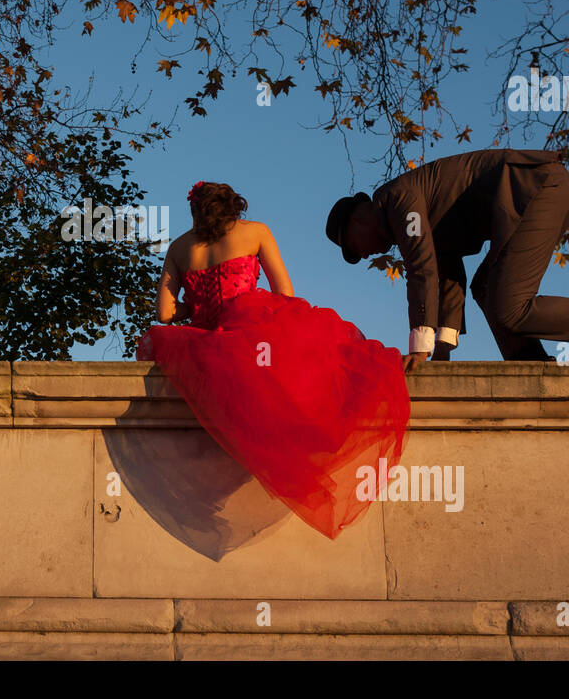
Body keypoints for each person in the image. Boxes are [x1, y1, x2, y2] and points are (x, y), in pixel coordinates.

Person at [137, 181, 410, 542]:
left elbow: (166, 313)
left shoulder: (179, 247)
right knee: (321, 364)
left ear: (196, 210)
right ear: (234, 205)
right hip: (249, 337)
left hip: (206, 346)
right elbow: (284, 292)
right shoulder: (256, 231)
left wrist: (198, 308)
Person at [324, 148, 569, 373]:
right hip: (534, 195)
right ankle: (532, 364)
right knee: (486, 286)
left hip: (533, 189)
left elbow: (421, 268)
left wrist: (418, 347)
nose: (365, 255)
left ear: (356, 220)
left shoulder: (397, 200)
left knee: (509, 306)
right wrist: (442, 352)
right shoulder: (409, 215)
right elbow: (446, 276)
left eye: (354, 248)